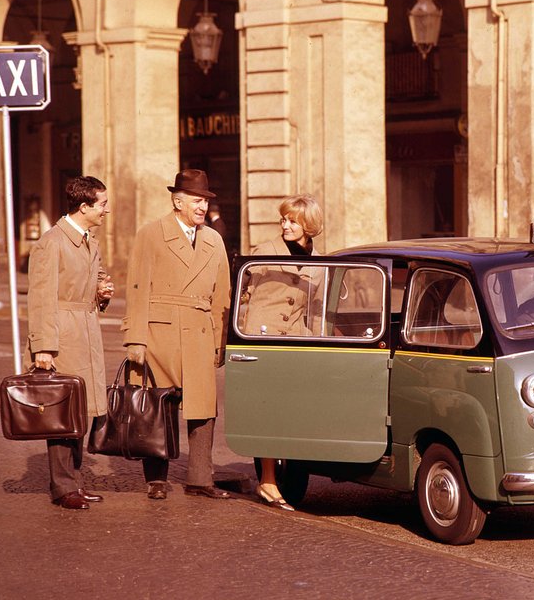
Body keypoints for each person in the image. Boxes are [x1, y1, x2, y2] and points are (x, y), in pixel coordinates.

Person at [121, 169, 231, 502]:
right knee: (157, 406)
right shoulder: (151, 234)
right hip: (159, 332)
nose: (202, 207)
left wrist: (219, 342)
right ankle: (156, 478)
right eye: (197, 200)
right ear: (177, 200)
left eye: (205, 201)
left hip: (199, 331)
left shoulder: (213, 239)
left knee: (202, 410)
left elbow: (222, 296)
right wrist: (136, 338)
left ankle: (200, 479)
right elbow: (137, 288)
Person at [26, 176, 114, 510]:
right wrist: (43, 346)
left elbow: (87, 287)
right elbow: (41, 298)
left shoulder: (89, 240)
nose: (106, 210)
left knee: (80, 412)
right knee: (62, 413)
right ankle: (63, 488)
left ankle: (74, 482)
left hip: (85, 331)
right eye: (102, 204)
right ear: (84, 206)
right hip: (63, 335)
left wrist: (100, 294)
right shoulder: (52, 243)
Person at [243, 195, 324, 510]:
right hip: (265, 341)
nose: (286, 225)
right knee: (270, 410)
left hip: (296, 343)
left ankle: (282, 478)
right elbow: (244, 293)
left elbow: (316, 309)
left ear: (308, 225)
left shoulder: (320, 259)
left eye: (293, 221)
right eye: (284, 220)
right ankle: (267, 481)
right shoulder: (265, 252)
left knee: (291, 412)